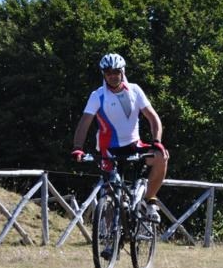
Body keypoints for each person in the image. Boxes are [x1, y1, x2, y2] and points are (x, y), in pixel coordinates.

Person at [71, 53, 169, 223]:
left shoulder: (135, 90)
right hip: (108, 149)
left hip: (133, 144)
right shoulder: (98, 95)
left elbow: (153, 119)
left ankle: (149, 200)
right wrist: (77, 147)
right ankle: (110, 241)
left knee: (162, 156)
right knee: (111, 194)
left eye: (116, 72)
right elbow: (84, 123)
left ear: (122, 71)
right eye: (108, 73)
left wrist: (157, 142)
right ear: (103, 74)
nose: (113, 76)